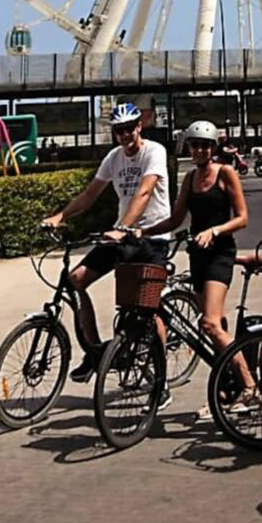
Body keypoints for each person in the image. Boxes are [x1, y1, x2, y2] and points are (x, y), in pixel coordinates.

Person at [42, 101, 174, 405]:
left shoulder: (154, 152)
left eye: (130, 128)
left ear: (140, 126)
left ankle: (161, 382)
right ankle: (93, 351)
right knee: (75, 279)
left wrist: (124, 226)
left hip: (151, 237)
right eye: (119, 131)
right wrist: (60, 216)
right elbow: (90, 194)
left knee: (145, 309)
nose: (126, 135)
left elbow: (144, 192)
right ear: (114, 133)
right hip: (121, 236)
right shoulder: (114, 158)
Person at [141, 120, 258, 412]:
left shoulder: (225, 173)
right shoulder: (190, 178)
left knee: (209, 322)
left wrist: (215, 231)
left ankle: (250, 387)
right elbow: (175, 219)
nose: (200, 150)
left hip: (220, 254)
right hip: (198, 256)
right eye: (195, 145)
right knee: (210, 330)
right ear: (189, 148)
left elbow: (242, 218)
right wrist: (140, 231)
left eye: (206, 145)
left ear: (213, 148)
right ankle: (225, 390)